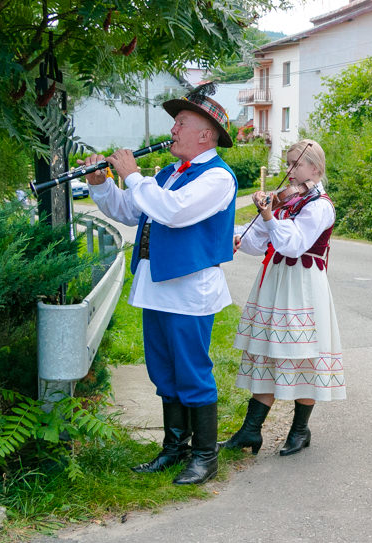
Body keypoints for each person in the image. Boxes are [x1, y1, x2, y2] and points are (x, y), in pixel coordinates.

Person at [81, 84, 237, 485]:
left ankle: (205, 456)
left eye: (181, 122)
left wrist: (133, 175)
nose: (173, 129)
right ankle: (174, 448)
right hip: (156, 286)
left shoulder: (218, 177)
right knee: (163, 372)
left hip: (189, 290)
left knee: (192, 371)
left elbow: (173, 213)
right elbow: (129, 211)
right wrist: (102, 183)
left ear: (206, 134)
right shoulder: (167, 173)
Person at [221, 139, 345, 456]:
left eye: (295, 165)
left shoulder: (321, 206)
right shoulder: (288, 202)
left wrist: (268, 216)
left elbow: (293, 244)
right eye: (287, 164)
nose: (288, 171)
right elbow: (262, 242)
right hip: (276, 282)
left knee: (302, 357)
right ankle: (250, 431)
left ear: (315, 169)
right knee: (268, 354)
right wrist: (238, 237)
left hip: (302, 285)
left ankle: (300, 431)